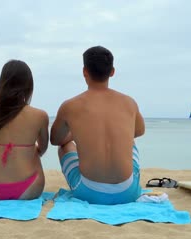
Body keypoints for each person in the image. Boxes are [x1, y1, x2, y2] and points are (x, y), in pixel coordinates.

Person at [50, 46, 145, 205]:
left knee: (64, 146)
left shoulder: (70, 105)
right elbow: (139, 131)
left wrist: (80, 132)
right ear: (112, 71)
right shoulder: (129, 102)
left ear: (84, 71)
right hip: (128, 192)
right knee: (130, 140)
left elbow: (56, 139)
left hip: (90, 193)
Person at [0, 60, 49, 200]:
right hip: (28, 187)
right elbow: (42, 149)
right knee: (35, 151)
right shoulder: (40, 115)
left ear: (2, 83)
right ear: (29, 85)